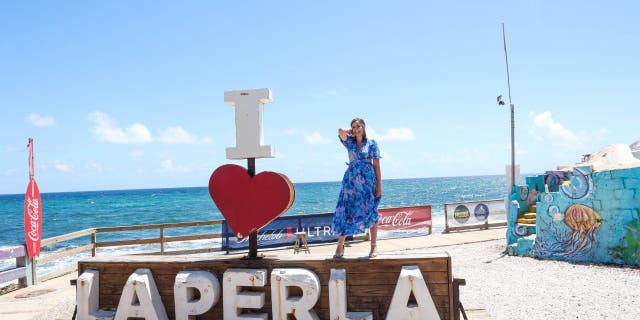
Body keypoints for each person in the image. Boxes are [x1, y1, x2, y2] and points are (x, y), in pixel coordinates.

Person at [332, 118, 382, 259]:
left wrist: (379, 185)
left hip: (367, 182)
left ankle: (373, 246)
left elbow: (377, 166)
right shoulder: (349, 142)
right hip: (351, 182)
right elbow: (340, 131)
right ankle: (340, 246)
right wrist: (350, 132)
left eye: (359, 126)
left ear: (364, 127)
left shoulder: (372, 144)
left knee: (371, 210)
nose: (357, 128)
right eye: (354, 127)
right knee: (346, 211)